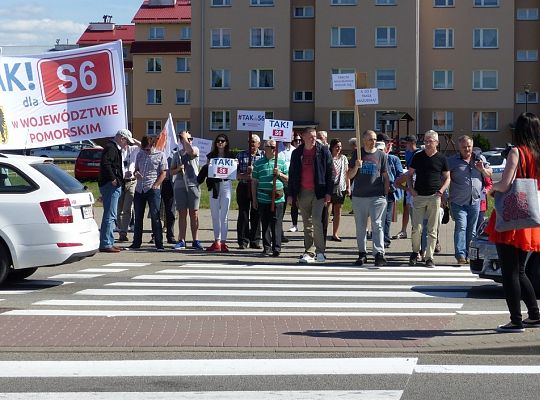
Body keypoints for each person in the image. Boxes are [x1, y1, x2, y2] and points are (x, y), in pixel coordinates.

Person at [486, 112, 540, 333]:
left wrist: (491, 186)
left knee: (509, 271)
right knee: (520, 270)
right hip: (528, 215)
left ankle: (516, 320)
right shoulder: (537, 154)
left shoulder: (516, 152)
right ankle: (535, 315)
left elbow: (506, 183)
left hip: (510, 215)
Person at [288, 127, 333, 263]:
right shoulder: (297, 153)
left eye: (315, 136)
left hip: (318, 191)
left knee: (316, 221)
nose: (313, 139)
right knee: (306, 223)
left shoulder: (323, 151)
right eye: (311, 137)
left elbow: (330, 173)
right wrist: (291, 194)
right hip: (302, 191)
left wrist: (328, 193)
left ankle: (321, 251)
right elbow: (292, 174)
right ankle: (309, 251)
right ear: (304, 137)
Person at [407, 130, 450, 268]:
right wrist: (411, 189)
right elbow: (409, 174)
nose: (427, 143)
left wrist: (441, 191)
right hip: (419, 196)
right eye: (425, 141)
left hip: (434, 197)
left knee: (432, 229)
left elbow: (447, 178)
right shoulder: (418, 156)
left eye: (430, 141)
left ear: (436, 143)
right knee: (416, 228)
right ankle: (415, 252)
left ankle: (429, 257)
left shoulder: (442, 158)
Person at [447, 135, 492, 264]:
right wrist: (444, 195)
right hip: (458, 201)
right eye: (464, 147)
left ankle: (469, 254)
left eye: (469, 146)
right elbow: (444, 177)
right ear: (459, 147)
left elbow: (490, 174)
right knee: (461, 226)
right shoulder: (452, 161)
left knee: (472, 229)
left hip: (475, 201)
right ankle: (460, 255)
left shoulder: (480, 159)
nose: (467, 149)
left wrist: (482, 169)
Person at [348, 130, 389, 266]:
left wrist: (386, 192)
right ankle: (362, 253)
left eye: (375, 139)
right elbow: (349, 175)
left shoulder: (381, 155)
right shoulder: (357, 154)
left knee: (377, 225)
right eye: (371, 139)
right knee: (361, 227)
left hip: (377, 196)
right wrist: (356, 166)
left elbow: (385, 175)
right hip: (360, 196)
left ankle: (379, 253)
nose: (373, 142)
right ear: (364, 140)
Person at [128, 135, 168, 251]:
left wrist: (156, 185)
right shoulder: (140, 154)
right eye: (144, 149)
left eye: (148, 149)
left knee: (155, 216)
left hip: (152, 189)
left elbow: (163, 173)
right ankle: (136, 242)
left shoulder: (160, 155)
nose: (146, 151)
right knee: (138, 217)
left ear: (153, 146)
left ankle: (159, 243)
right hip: (139, 189)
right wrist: (136, 174)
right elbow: (135, 170)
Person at [252, 139, 288, 257]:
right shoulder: (258, 163)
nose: (274, 149)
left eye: (275, 147)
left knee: (277, 223)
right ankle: (267, 247)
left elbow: (288, 178)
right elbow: (254, 182)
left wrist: (279, 174)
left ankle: (277, 247)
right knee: (265, 223)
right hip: (263, 198)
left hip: (278, 198)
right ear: (265, 148)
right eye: (271, 147)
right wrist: (254, 199)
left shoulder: (281, 162)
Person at [98, 129, 132, 253]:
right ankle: (106, 243)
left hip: (112, 184)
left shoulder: (112, 147)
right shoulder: (111, 147)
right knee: (110, 215)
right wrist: (113, 179)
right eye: (127, 141)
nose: (127, 144)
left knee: (111, 215)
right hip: (110, 185)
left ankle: (109, 242)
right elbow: (106, 164)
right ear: (122, 138)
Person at [170, 130, 203, 250]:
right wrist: (178, 168)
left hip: (193, 184)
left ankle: (195, 240)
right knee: (182, 213)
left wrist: (185, 140)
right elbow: (171, 171)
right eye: (185, 139)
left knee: (194, 213)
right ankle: (181, 240)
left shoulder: (195, 149)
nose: (188, 141)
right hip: (179, 185)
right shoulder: (177, 154)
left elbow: (191, 152)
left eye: (189, 139)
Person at [205, 134, 234, 252]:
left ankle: (223, 242)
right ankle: (217, 240)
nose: (220, 143)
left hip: (226, 184)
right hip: (215, 186)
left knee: (224, 215)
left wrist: (235, 164)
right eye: (218, 141)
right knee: (215, 214)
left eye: (222, 141)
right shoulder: (211, 156)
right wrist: (208, 166)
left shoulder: (231, 156)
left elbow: (234, 171)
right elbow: (207, 171)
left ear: (226, 143)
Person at [236, 134, 264, 249]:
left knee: (256, 212)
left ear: (259, 144)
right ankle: (243, 240)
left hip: (257, 187)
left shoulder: (262, 156)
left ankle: (255, 240)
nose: (251, 144)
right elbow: (236, 174)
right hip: (243, 186)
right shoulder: (241, 155)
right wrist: (246, 175)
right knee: (243, 213)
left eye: (253, 142)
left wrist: (254, 174)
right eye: (249, 141)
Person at [378, 133, 403, 248]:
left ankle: (385, 239)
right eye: (388, 143)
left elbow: (400, 175)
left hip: (389, 192)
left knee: (386, 217)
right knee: (379, 217)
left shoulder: (393, 159)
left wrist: (394, 184)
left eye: (390, 143)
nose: (390, 145)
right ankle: (380, 238)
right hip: (378, 191)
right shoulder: (376, 157)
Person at [393, 135, 418, 240]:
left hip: (416, 182)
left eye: (406, 143)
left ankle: (415, 230)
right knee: (406, 206)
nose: (404, 145)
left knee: (414, 208)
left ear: (412, 143)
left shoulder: (418, 153)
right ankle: (403, 230)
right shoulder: (407, 153)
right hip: (408, 180)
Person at [117, 133, 141, 243]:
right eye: (124, 139)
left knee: (127, 208)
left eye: (126, 140)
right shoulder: (118, 150)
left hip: (131, 182)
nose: (125, 142)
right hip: (120, 182)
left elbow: (142, 146)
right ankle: (120, 229)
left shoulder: (133, 149)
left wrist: (133, 140)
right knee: (118, 209)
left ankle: (123, 232)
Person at [328, 138, 350, 242]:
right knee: (327, 210)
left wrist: (348, 187)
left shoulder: (343, 158)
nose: (339, 149)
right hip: (329, 187)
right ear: (332, 147)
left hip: (340, 187)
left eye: (340, 147)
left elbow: (347, 173)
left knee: (338, 210)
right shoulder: (328, 157)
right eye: (337, 146)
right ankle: (323, 232)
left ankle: (335, 233)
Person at [286, 134, 302, 232]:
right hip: (290, 179)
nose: (298, 142)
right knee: (294, 204)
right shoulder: (292, 151)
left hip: (301, 180)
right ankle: (294, 224)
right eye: (296, 140)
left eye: (300, 140)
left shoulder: (302, 151)